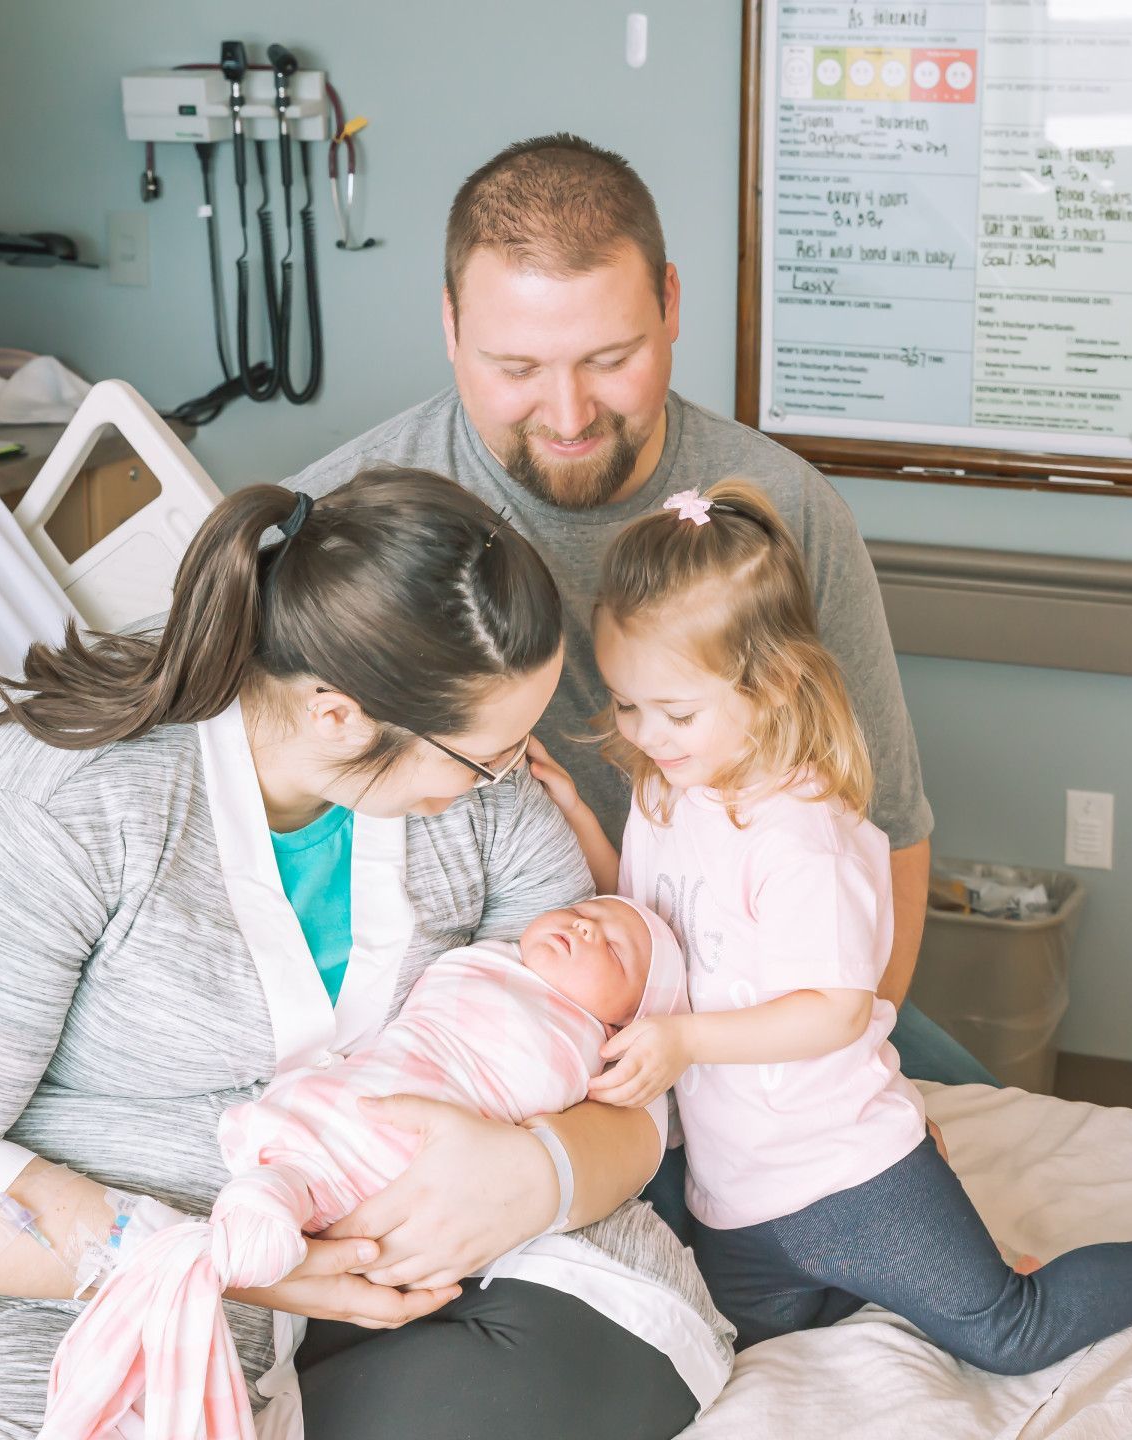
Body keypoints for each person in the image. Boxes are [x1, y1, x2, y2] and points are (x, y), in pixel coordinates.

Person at [0, 469, 719, 1440]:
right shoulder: (56, 805)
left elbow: (634, 1065)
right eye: (485, 754)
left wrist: (540, 1170)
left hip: (441, 1254)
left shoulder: (482, 789)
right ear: (337, 714)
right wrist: (231, 1261)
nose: (517, 776)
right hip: (114, 1268)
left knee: (625, 1351)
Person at [287, 134, 998, 1122]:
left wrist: (816, 1098)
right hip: (500, 1002)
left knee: (956, 1141)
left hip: (757, 982)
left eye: (611, 359)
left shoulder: (784, 511)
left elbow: (888, 826)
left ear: (670, 305)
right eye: (516, 366)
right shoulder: (338, 521)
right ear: (450, 327)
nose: (569, 411)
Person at [534, 480, 1132, 1374]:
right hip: (737, 1192)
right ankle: (940, 1271)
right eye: (628, 704)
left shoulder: (798, 833)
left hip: (847, 1172)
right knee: (735, 1352)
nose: (646, 733)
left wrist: (681, 1040)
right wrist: (578, 819)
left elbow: (834, 1010)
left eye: (675, 713)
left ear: (775, 681)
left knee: (1007, 1333)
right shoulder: (666, 789)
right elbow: (645, 926)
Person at [41, 896, 731, 1440]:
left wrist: (539, 1167)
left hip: (563, 1276)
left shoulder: (499, 829)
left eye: (612, 945)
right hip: (317, 1260)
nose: (584, 928)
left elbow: (643, 1124)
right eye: (584, 915)